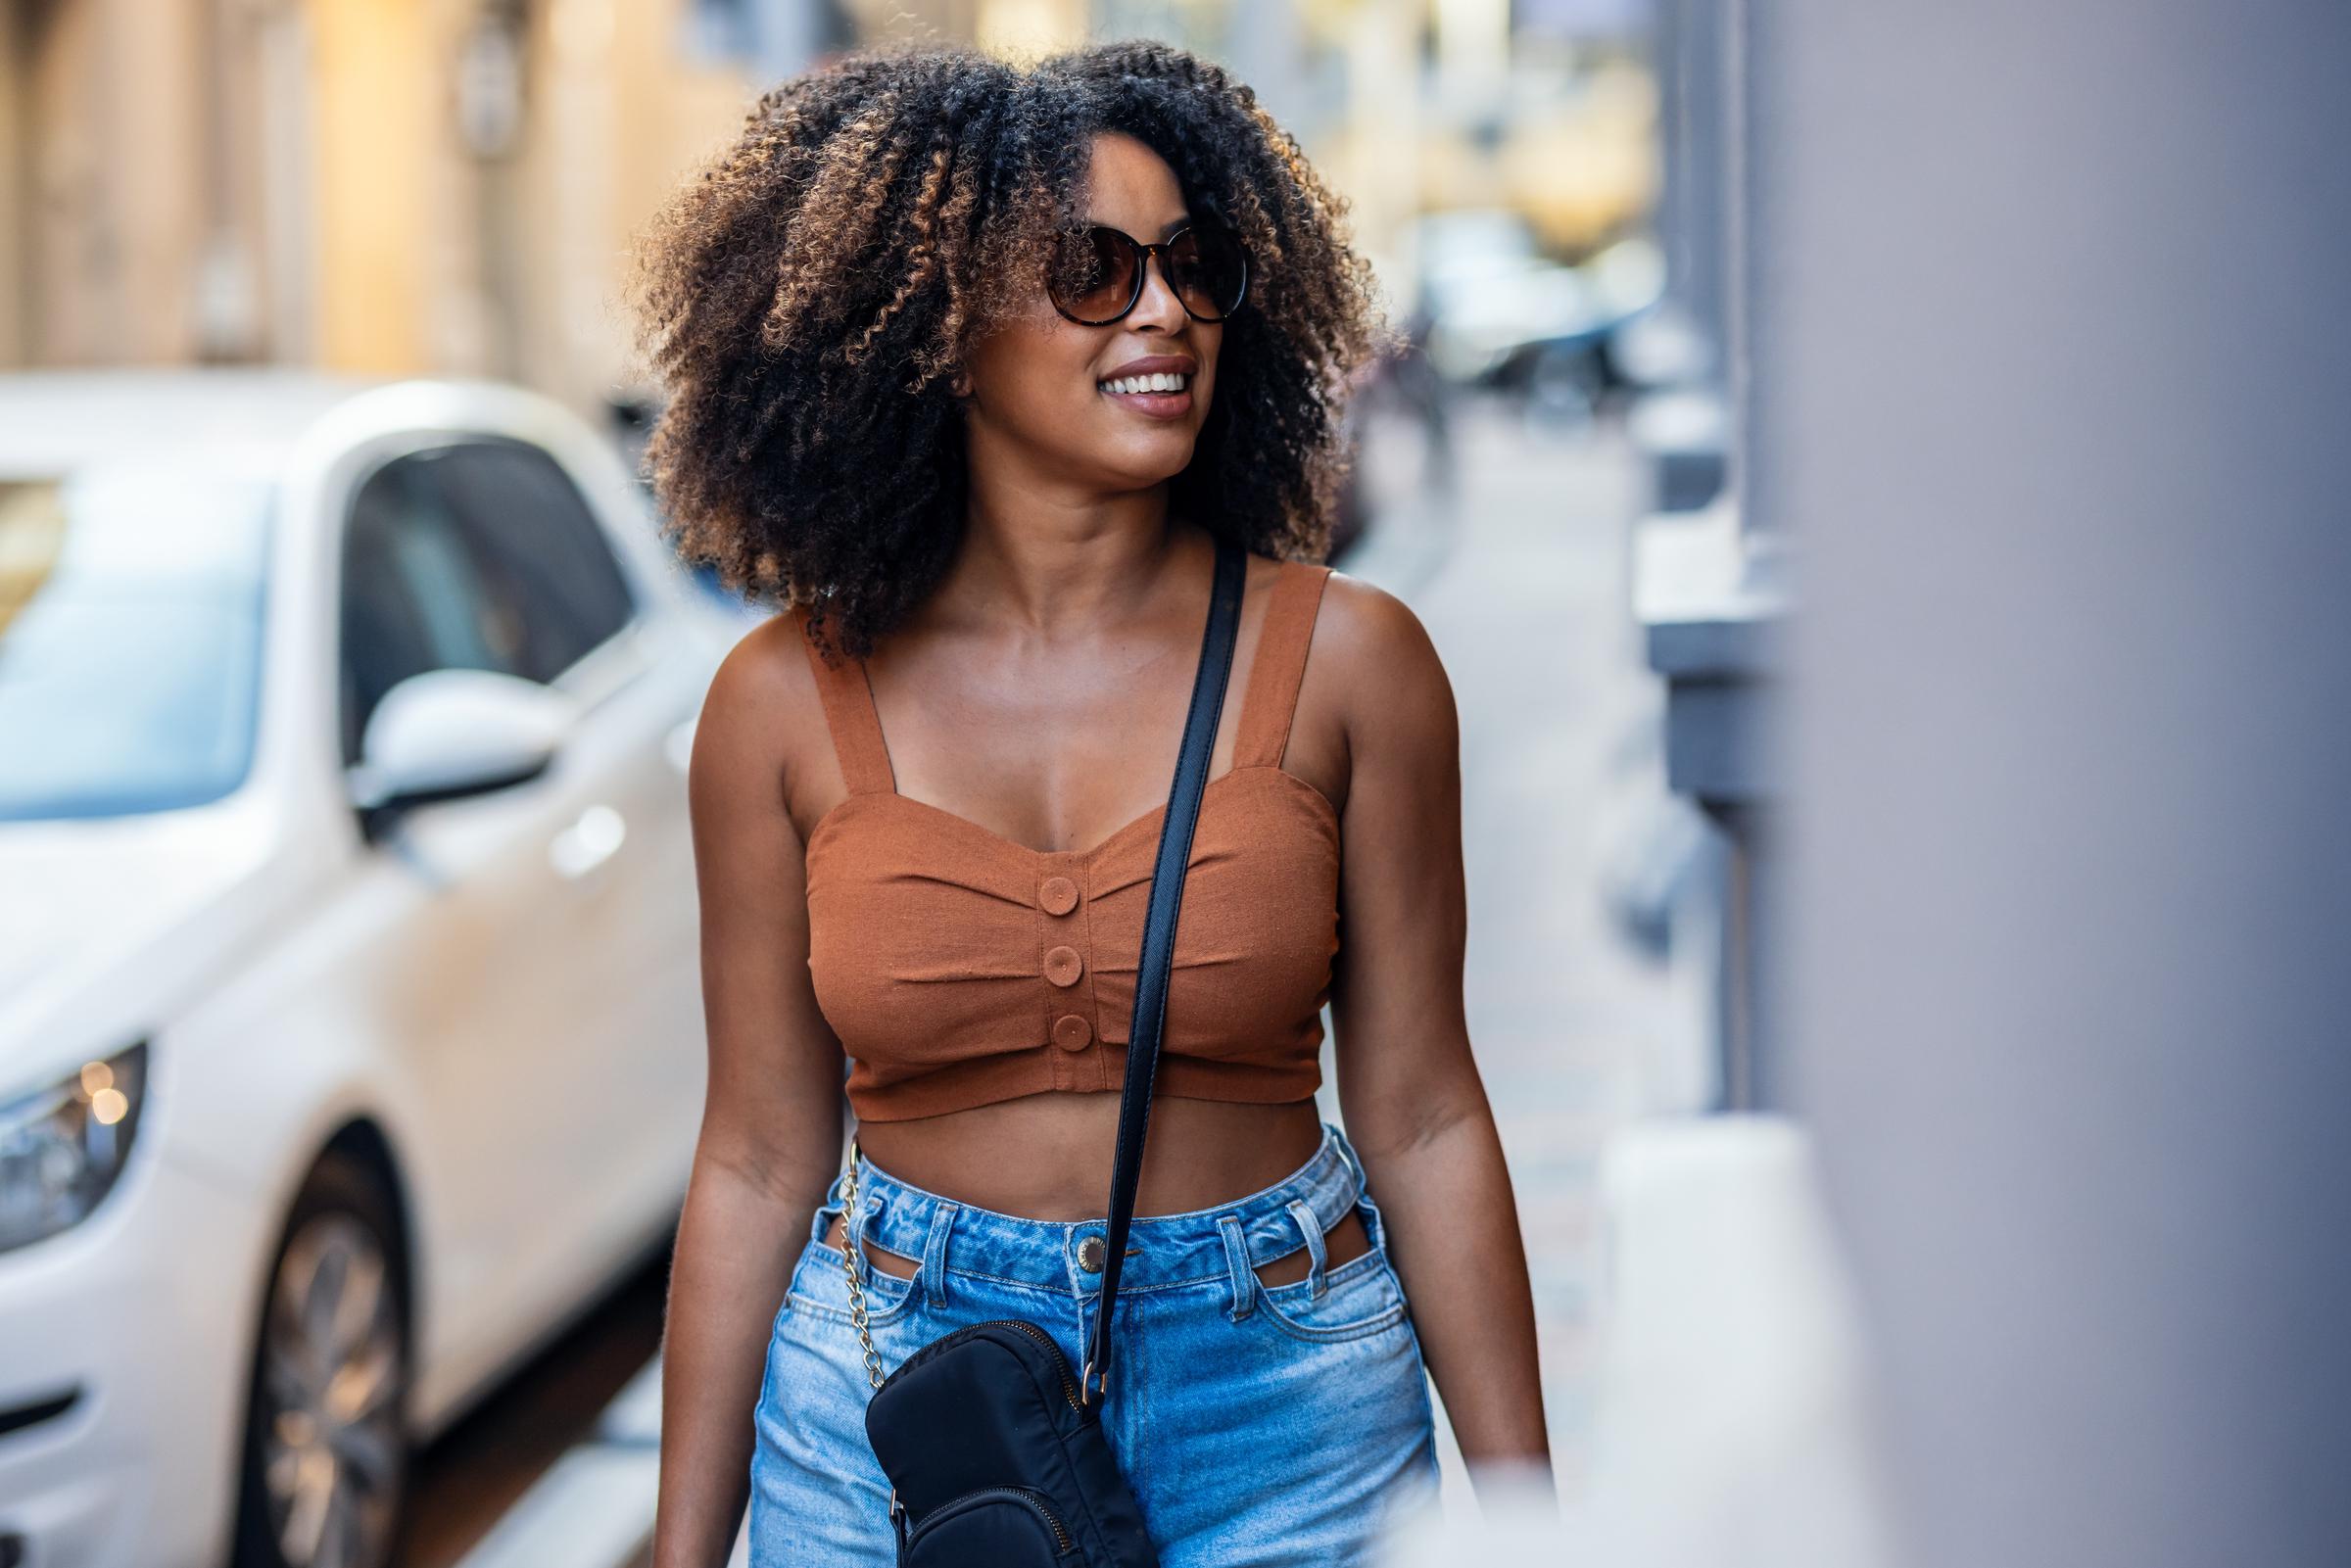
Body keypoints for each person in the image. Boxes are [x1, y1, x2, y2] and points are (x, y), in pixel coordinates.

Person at [630, 37, 1552, 1568]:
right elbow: (752, 1153)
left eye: (1194, 265)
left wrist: (1534, 1525)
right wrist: (681, 1550)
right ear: (935, 322)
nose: (1164, 309)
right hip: (892, 1409)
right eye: (1091, 269)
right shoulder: (780, 704)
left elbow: (1427, 1109)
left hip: (1284, 1397)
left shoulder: (1350, 666)